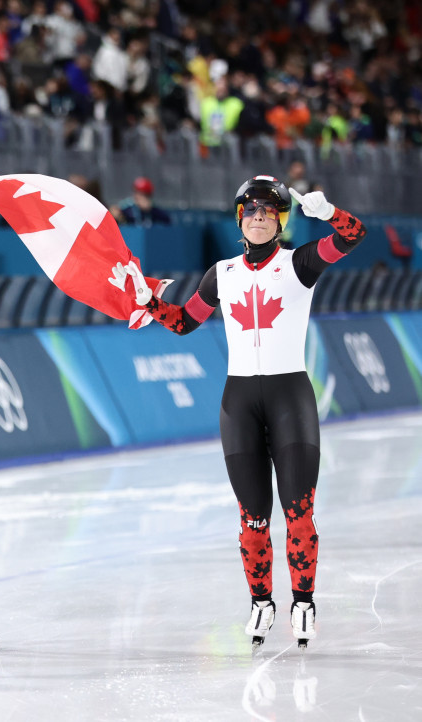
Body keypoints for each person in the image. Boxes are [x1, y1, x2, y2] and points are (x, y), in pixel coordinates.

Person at [116, 176, 366, 650]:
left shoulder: (300, 264)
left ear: (280, 221)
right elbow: (185, 322)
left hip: (291, 399)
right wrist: (149, 302)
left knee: (299, 516)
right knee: (253, 521)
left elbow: (354, 236)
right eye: (251, 211)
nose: (259, 218)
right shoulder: (222, 273)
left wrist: (330, 213)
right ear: (239, 219)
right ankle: (260, 601)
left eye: (268, 212)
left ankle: (304, 601)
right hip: (239, 405)